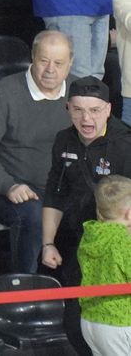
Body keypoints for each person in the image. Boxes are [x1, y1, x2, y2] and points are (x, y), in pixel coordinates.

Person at [0, 30, 73, 274]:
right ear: (32, 58)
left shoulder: (79, 92)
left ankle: (82, 288)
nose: (50, 70)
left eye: (59, 63)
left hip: (63, 187)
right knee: (33, 216)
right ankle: (25, 285)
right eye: (44, 60)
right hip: (14, 187)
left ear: (70, 64)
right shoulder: (5, 91)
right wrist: (8, 185)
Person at [41, 77, 131, 352]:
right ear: (68, 107)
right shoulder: (63, 140)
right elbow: (54, 193)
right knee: (75, 324)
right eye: (78, 109)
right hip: (82, 244)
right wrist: (48, 243)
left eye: (94, 110)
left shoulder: (125, 144)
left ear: (109, 109)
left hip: (120, 245)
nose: (86, 118)